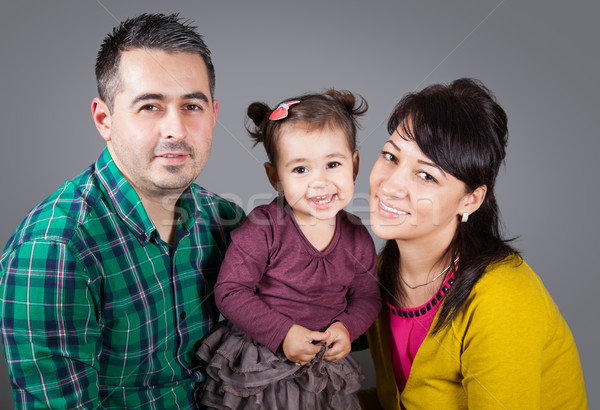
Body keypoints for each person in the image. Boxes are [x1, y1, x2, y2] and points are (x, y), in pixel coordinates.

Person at [0, 13, 244, 408]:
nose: (176, 130)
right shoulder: (54, 250)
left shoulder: (225, 219)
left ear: (214, 115)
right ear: (104, 119)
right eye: (150, 106)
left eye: (192, 107)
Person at [360, 78, 588, 409]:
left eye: (427, 175)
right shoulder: (379, 271)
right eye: (391, 156)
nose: (391, 185)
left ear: (471, 200)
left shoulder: (502, 299)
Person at [196, 90, 381, 409]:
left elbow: (367, 296)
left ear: (354, 164)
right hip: (263, 360)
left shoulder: (356, 236)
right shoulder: (263, 228)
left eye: (333, 164)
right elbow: (230, 290)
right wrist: (284, 333)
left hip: (322, 362)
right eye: (300, 170)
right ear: (275, 177)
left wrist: (347, 327)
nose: (319, 182)